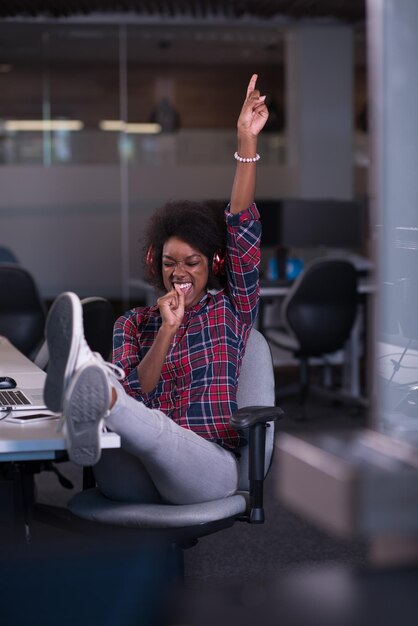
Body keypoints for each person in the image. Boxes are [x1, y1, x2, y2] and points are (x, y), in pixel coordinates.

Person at [43, 74, 268, 506]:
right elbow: (144, 390)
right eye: (169, 263)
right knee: (130, 429)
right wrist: (165, 330)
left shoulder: (232, 309)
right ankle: (96, 391)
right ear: (154, 264)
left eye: (192, 262)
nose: (179, 273)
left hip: (206, 468)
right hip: (142, 469)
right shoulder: (134, 323)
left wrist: (246, 141)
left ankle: (93, 386)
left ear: (215, 264)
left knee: (153, 427)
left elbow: (241, 225)